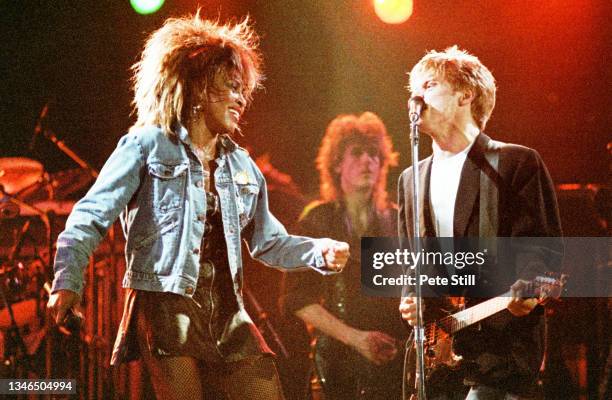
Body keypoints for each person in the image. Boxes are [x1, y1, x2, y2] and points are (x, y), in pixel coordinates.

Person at [46, 12, 349, 400]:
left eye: (244, 90)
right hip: (166, 306)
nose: (241, 99)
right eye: (231, 87)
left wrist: (317, 251)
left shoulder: (243, 166)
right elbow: (89, 217)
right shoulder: (146, 146)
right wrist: (67, 281)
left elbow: (268, 242)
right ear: (199, 87)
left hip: (226, 311)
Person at [398, 46, 563, 399]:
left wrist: (531, 287)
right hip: (439, 358)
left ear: (465, 94)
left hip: (501, 349)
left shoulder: (515, 162)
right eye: (413, 89)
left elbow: (543, 250)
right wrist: (410, 296)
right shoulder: (411, 178)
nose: (416, 96)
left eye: (428, 85)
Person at [282, 112, 406, 399]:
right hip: (339, 365)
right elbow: (296, 298)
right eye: (357, 153)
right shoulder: (318, 220)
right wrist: (356, 339)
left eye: (375, 154)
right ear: (337, 164)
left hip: (394, 364)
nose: (368, 160)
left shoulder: (398, 221)